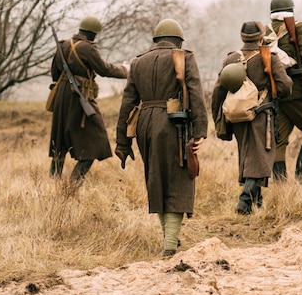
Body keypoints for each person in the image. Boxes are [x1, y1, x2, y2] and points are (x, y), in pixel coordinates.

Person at [115, 19, 208, 256]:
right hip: (174, 125)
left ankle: (170, 239)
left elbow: (127, 103)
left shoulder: (138, 62)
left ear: (156, 39)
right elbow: (196, 93)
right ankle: (170, 245)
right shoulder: (184, 57)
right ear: (178, 39)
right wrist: (200, 130)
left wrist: (123, 141)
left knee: (156, 179)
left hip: (145, 124)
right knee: (178, 179)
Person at [211, 21, 292, 215]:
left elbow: (217, 92)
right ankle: (244, 201)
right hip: (261, 115)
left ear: (242, 37)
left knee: (248, 155)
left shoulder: (230, 59)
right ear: (261, 37)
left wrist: (218, 119)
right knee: (261, 158)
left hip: (236, 116)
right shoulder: (269, 58)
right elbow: (285, 87)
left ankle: (256, 204)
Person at [49, 16, 128, 183]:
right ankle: (72, 185)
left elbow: (54, 74)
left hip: (61, 97)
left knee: (60, 143)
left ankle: (53, 183)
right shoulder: (87, 49)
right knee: (96, 141)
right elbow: (105, 69)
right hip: (79, 96)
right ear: (93, 34)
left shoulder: (62, 46)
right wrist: (126, 70)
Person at [264, 0, 302, 182]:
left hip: (276, 93)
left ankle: (281, 185)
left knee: (279, 141)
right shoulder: (300, 28)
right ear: (291, 9)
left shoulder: (266, 32)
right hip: (298, 92)